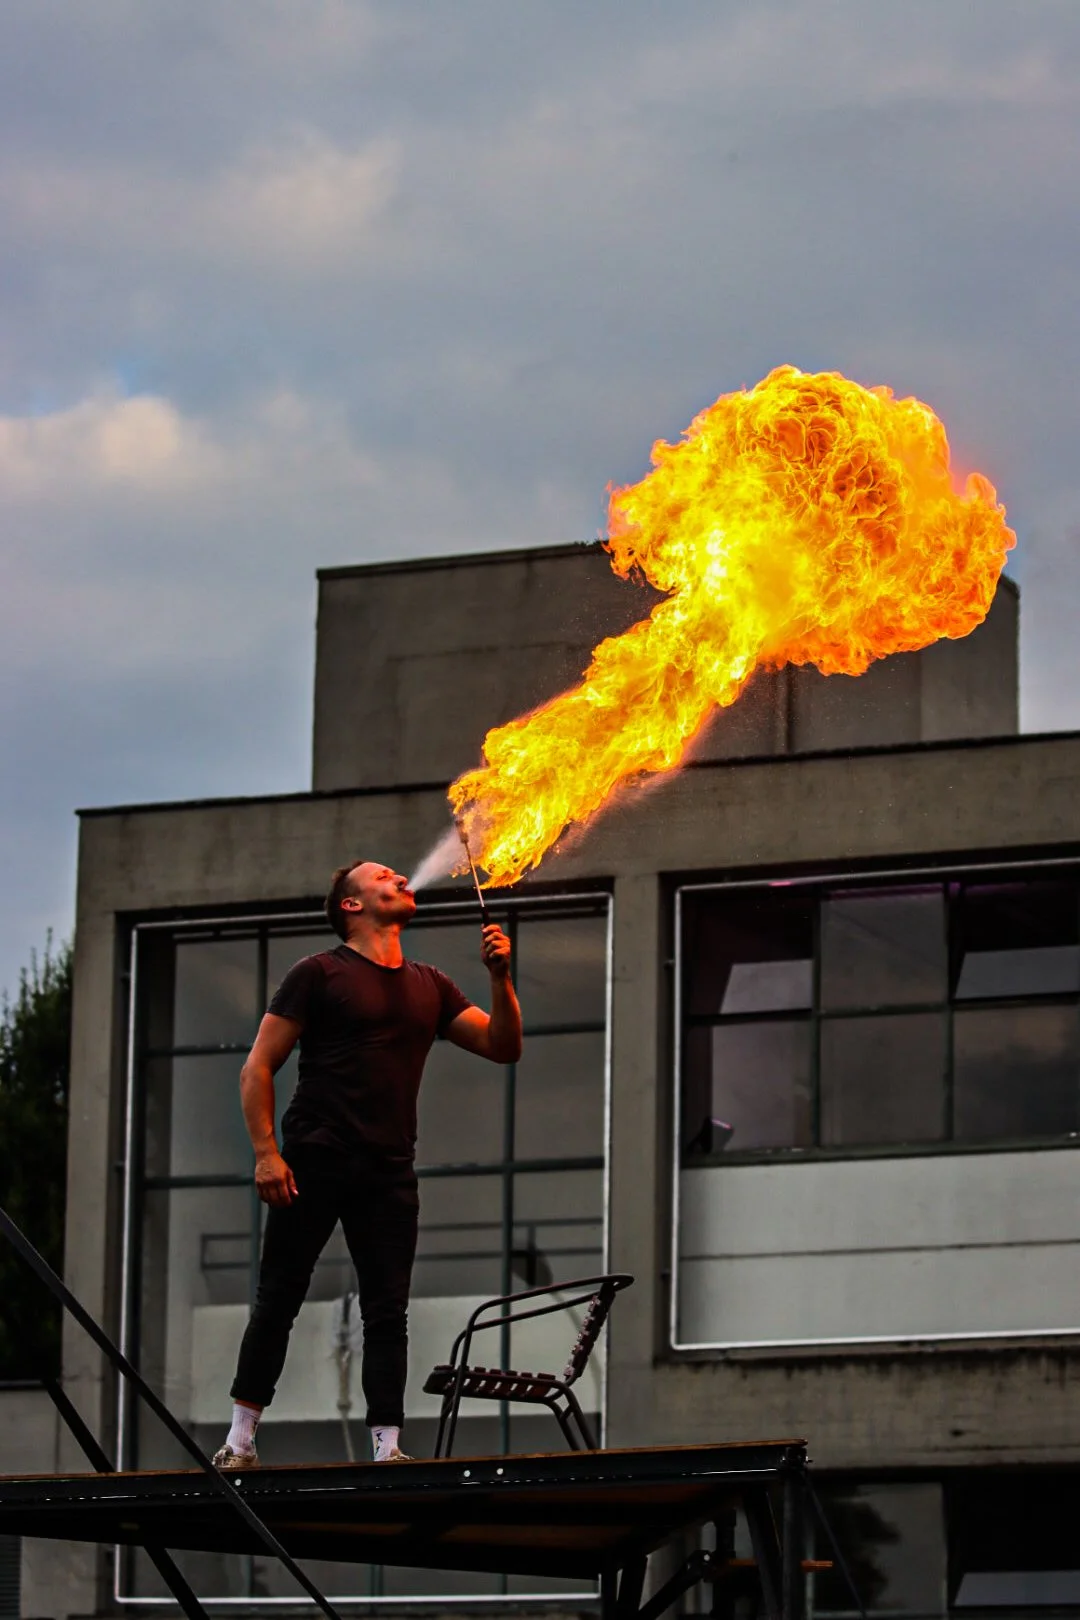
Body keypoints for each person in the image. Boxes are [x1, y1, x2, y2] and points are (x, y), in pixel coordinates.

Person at [212, 858, 521, 1469]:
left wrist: (501, 978)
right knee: (279, 1297)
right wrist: (267, 1154)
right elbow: (258, 1067)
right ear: (352, 905)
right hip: (315, 1158)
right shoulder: (318, 973)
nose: (402, 878)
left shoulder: (431, 984)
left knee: (388, 1310)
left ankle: (388, 1449)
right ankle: (240, 1442)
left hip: (388, 1168)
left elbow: (503, 1046)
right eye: (384, 875)